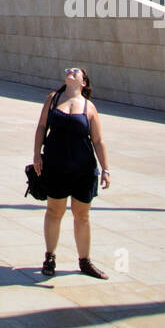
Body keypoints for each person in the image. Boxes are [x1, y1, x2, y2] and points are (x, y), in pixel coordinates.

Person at [33, 65, 111, 279]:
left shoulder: (89, 107)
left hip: (83, 169)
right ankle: (50, 257)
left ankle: (85, 261)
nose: (70, 71)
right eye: (68, 69)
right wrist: (36, 155)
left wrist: (106, 169)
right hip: (56, 165)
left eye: (76, 71)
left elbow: (98, 140)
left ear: (83, 82)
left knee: (82, 215)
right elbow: (41, 127)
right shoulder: (53, 99)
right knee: (54, 211)